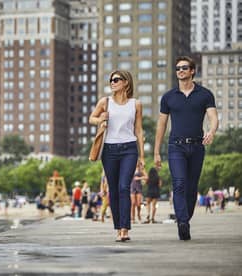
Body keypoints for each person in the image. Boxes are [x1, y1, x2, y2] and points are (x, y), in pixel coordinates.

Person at [154, 56, 218, 241]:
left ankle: (185, 218)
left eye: (184, 68)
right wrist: (157, 151)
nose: (180, 70)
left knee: (191, 187)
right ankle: (183, 222)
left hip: (197, 146)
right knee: (179, 183)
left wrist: (212, 131)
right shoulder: (168, 97)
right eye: (178, 68)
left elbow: (213, 117)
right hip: (176, 147)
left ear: (192, 71)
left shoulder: (205, 94)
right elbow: (161, 124)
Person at [89, 70, 145, 242]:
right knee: (113, 191)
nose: (112, 82)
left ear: (126, 82)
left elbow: (138, 130)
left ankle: (125, 228)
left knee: (123, 187)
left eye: (116, 80)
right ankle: (117, 228)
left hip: (129, 149)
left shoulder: (136, 104)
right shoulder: (105, 102)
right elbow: (92, 118)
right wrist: (100, 120)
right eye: (111, 80)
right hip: (109, 150)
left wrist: (142, 156)